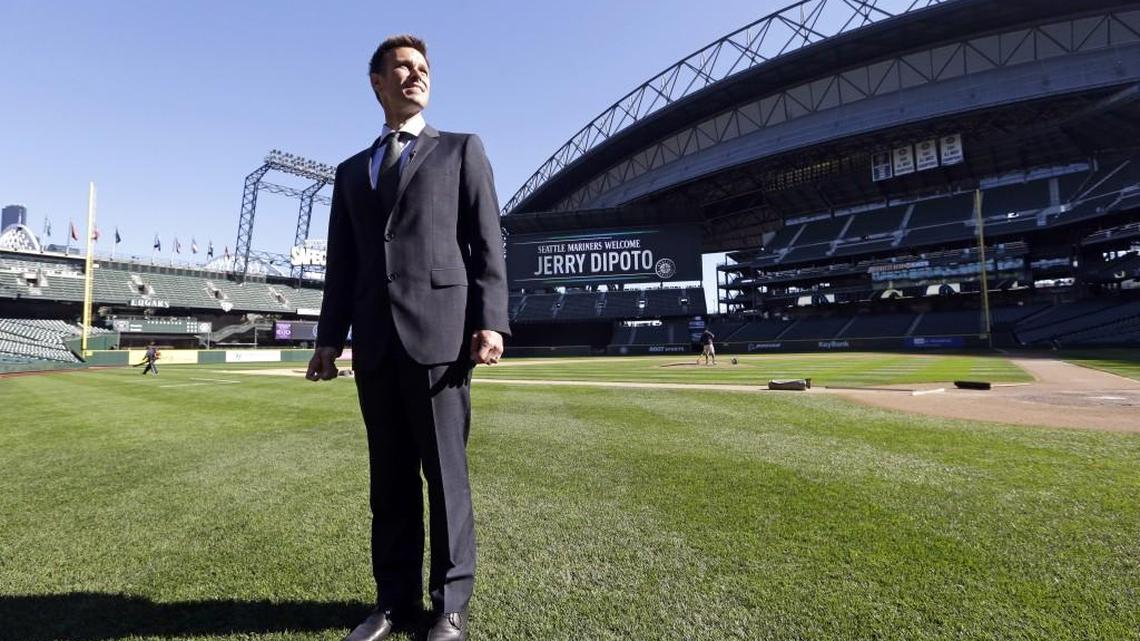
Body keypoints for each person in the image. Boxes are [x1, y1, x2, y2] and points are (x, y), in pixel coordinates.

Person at [306, 34, 509, 641]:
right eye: (403, 67)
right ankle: (392, 603)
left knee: (446, 477)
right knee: (388, 480)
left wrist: (490, 320)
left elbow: (487, 241)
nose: (416, 75)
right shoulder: (350, 172)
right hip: (373, 341)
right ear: (377, 81)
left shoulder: (460, 150)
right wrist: (327, 338)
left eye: (423, 69)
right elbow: (341, 263)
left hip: (441, 338)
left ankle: (449, 606)